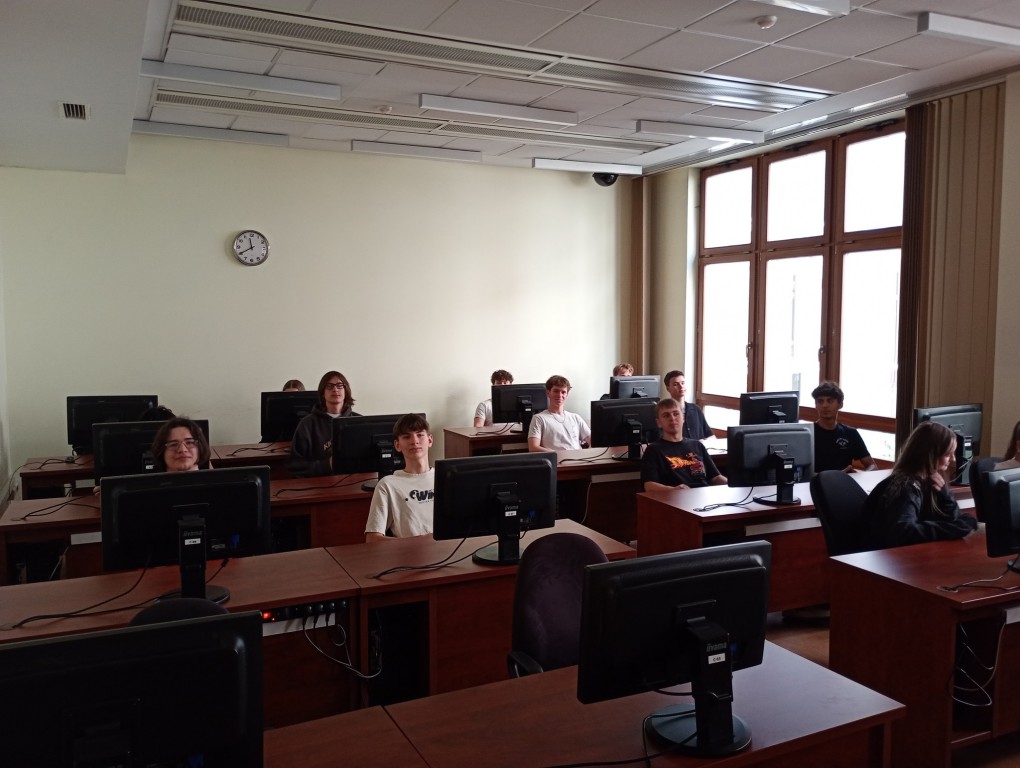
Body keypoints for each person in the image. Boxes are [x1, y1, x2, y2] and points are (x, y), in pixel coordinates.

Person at [863, 421, 977, 549]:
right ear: (930, 455)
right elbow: (903, 532)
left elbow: (953, 520)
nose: (953, 459)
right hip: (882, 557)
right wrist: (955, 528)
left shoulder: (929, 481)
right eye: (947, 454)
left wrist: (946, 497)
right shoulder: (906, 487)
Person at [365, 413, 435, 542]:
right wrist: (418, 543)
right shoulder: (388, 485)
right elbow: (372, 539)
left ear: (430, 440)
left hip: (450, 550)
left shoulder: (445, 478)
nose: (414, 441)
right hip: (412, 553)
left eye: (420, 435)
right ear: (397, 445)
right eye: (407, 437)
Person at [641, 398, 726, 492]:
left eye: (676, 414)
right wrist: (674, 490)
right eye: (666, 415)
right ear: (659, 423)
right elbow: (649, 486)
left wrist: (734, 484)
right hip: (675, 497)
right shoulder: (653, 450)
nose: (672, 418)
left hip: (703, 495)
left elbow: (715, 477)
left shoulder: (697, 445)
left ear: (683, 418)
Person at [289, 371, 359, 477]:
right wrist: (326, 465)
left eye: (340, 385)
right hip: (319, 483)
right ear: (323, 393)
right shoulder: (307, 424)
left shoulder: (359, 421)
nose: (335, 389)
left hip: (354, 482)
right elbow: (295, 466)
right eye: (329, 386)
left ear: (346, 391)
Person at [811, 381, 877, 473]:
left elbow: (872, 466)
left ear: (840, 404)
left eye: (830, 401)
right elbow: (798, 469)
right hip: (816, 481)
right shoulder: (808, 434)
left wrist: (860, 476)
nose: (824, 405)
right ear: (816, 405)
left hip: (844, 482)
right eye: (820, 401)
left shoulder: (851, 433)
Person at [528, 375, 591, 452]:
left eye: (563, 392)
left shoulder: (575, 417)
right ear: (548, 393)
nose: (560, 395)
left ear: (567, 395)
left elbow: (592, 440)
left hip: (579, 457)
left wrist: (589, 453)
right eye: (556, 391)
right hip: (557, 458)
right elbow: (533, 447)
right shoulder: (539, 418)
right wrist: (557, 454)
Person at [663, 370, 712, 440]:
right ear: (668, 388)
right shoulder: (665, 413)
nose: (681, 386)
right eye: (676, 384)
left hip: (698, 446)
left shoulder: (696, 409)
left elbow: (710, 435)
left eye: (682, 383)